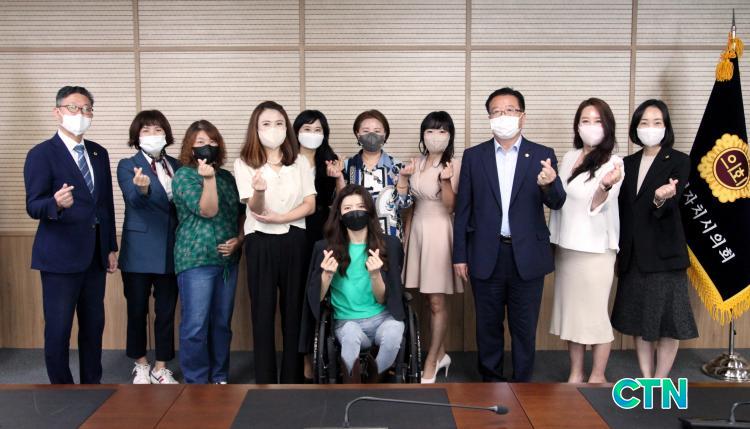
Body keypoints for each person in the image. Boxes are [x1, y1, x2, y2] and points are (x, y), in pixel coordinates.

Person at [453, 87, 566, 382]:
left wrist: (549, 183)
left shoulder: (542, 155)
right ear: (489, 118)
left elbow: (557, 202)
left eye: (510, 110)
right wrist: (459, 255)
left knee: (524, 327)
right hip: (485, 253)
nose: (503, 116)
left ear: (522, 117)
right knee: (487, 326)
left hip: (527, 255)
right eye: (497, 111)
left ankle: (523, 385)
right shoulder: (474, 156)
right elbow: (463, 210)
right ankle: (490, 382)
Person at [23, 86, 118, 384]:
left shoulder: (99, 153)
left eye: (87, 109)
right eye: (74, 108)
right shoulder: (41, 154)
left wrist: (110, 247)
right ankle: (61, 390)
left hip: (94, 256)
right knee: (59, 328)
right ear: (57, 112)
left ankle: (92, 386)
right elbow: (33, 205)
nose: (81, 114)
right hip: (59, 257)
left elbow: (105, 205)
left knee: (94, 326)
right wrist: (55, 203)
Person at [611, 99, 698, 378]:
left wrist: (661, 198)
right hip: (633, 256)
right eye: (644, 122)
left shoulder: (680, 161)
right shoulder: (626, 164)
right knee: (640, 322)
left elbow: (673, 203)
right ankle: (647, 378)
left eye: (657, 122)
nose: (650, 128)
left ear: (666, 127)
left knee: (668, 323)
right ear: (636, 128)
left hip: (664, 256)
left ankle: (661, 379)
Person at [234, 101, 316, 384]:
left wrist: (282, 217)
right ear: (255, 129)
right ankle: (265, 380)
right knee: (263, 310)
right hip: (260, 241)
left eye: (279, 123)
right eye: (266, 124)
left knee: (294, 310)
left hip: (294, 238)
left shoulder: (300, 162)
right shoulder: (244, 162)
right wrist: (259, 191)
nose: (273, 129)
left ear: (287, 128)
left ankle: (292, 379)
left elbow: (309, 204)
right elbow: (255, 208)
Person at [548, 98, 624, 383]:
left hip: (595, 251)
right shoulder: (569, 157)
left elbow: (598, 204)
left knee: (594, 316)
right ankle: (576, 373)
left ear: (608, 126)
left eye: (597, 121)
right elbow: (561, 200)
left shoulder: (614, 163)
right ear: (577, 126)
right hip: (567, 248)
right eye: (585, 121)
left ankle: (597, 376)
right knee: (573, 316)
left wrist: (604, 185)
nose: (591, 127)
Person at [306, 184, 405, 383]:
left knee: (395, 330)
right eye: (348, 208)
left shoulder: (389, 245)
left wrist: (375, 274)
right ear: (340, 215)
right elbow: (316, 298)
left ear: (369, 210)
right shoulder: (325, 249)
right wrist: (326, 275)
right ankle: (352, 384)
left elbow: (382, 298)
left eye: (360, 207)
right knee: (351, 335)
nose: (355, 212)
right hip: (347, 322)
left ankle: (374, 380)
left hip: (381, 318)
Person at [172, 120, 244, 384]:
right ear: (190, 147)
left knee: (222, 323)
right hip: (196, 259)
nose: (207, 146)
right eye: (200, 142)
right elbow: (207, 210)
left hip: (227, 261)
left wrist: (239, 239)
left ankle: (219, 376)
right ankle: (196, 381)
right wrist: (209, 178)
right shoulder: (184, 176)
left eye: (212, 142)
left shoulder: (227, 177)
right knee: (196, 325)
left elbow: (241, 214)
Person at [117, 110, 181, 384]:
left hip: (171, 248)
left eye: (157, 130)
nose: (152, 135)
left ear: (166, 134)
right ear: (137, 136)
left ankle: (161, 367)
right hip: (138, 251)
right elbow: (133, 199)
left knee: (166, 311)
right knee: (137, 310)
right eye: (146, 130)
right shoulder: (127, 165)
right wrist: (142, 189)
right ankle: (141, 364)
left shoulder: (177, 165)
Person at [402, 111, 462, 384]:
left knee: (437, 300)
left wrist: (446, 180)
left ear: (449, 136)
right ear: (422, 135)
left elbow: (451, 207)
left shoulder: (454, 165)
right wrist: (406, 236)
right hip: (417, 229)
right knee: (426, 298)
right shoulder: (416, 162)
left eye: (441, 131)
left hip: (440, 231)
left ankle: (433, 359)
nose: (435, 136)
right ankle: (442, 352)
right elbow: (409, 203)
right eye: (430, 131)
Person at [292, 109, 339, 381]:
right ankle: (304, 357)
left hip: (323, 230)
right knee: (299, 294)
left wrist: (337, 177)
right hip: (293, 229)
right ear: (296, 132)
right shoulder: (287, 160)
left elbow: (342, 201)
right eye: (307, 129)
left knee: (321, 292)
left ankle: (325, 354)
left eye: (318, 129)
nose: (312, 134)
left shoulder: (329, 161)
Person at [327, 110, 413, 240]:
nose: (372, 135)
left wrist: (404, 179)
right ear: (358, 134)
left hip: (390, 235)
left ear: (385, 134)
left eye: (377, 131)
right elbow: (340, 204)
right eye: (366, 131)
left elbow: (403, 205)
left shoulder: (396, 166)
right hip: (355, 236)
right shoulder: (347, 166)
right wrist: (339, 177)